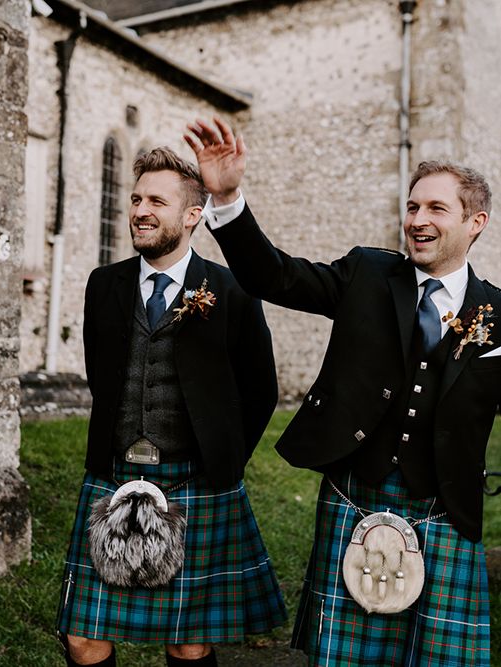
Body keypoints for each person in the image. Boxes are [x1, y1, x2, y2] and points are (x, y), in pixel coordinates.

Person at [184, 116, 499, 666]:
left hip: (444, 507)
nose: (417, 221)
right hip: (358, 493)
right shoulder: (368, 275)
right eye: (412, 207)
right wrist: (229, 198)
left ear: (476, 222)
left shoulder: (498, 314)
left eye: (436, 209)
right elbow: (274, 276)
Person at [56, 146, 286, 666]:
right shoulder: (104, 285)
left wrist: (220, 458)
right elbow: (103, 376)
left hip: (195, 482)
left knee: (188, 640)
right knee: (82, 637)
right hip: (112, 478)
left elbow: (261, 390)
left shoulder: (231, 291)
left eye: (156, 201)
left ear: (192, 215)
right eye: (136, 199)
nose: (140, 210)